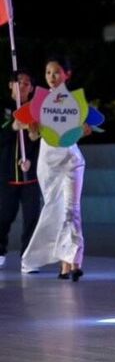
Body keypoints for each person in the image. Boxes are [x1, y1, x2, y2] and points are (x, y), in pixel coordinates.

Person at [20, 57, 88, 281]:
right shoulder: (40, 103)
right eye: (48, 72)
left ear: (67, 74)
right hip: (48, 164)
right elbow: (32, 135)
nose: (52, 77)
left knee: (71, 210)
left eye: (57, 72)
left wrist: (84, 129)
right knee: (55, 210)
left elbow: (88, 127)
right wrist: (31, 127)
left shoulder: (76, 102)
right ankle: (61, 263)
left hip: (71, 160)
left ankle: (73, 262)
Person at [0, 70, 42, 270]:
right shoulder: (3, 109)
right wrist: (13, 127)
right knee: (3, 215)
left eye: (27, 83)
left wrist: (31, 158)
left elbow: (40, 142)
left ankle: (28, 258)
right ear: (11, 85)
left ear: (32, 88)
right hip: (6, 175)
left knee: (32, 218)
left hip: (31, 176)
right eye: (19, 82)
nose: (22, 86)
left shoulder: (37, 110)